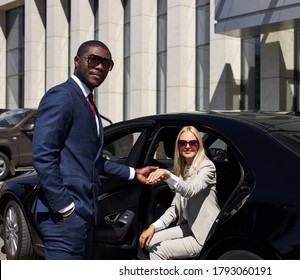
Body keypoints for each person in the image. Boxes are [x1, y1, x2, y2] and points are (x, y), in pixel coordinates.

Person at [32, 40, 157, 260]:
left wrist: (134, 173)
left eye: (106, 63)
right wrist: (65, 207)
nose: (100, 66)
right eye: (94, 59)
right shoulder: (62, 96)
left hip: (83, 217)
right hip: (63, 218)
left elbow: (95, 162)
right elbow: (43, 156)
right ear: (77, 61)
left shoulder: (87, 102)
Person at [139, 126, 221, 260]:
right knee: (149, 242)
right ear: (178, 146)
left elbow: (190, 190)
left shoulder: (207, 166)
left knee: (158, 251)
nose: (187, 146)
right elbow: (174, 210)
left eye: (192, 143)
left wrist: (168, 175)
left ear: (199, 145)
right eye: (183, 143)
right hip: (190, 226)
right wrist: (153, 227)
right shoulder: (183, 169)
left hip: (204, 233)